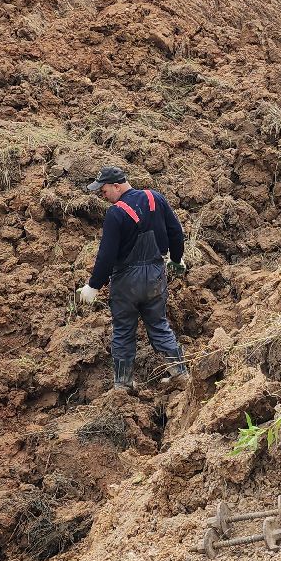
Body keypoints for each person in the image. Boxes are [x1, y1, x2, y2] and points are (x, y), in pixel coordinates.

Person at [77, 166, 188, 392]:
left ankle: (123, 385)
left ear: (117, 186)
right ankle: (181, 374)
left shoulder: (116, 213)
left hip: (127, 282)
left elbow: (106, 255)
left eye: (104, 190)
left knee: (123, 330)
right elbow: (176, 231)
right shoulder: (154, 198)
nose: (103, 195)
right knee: (159, 325)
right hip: (155, 276)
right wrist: (176, 259)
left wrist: (94, 285)